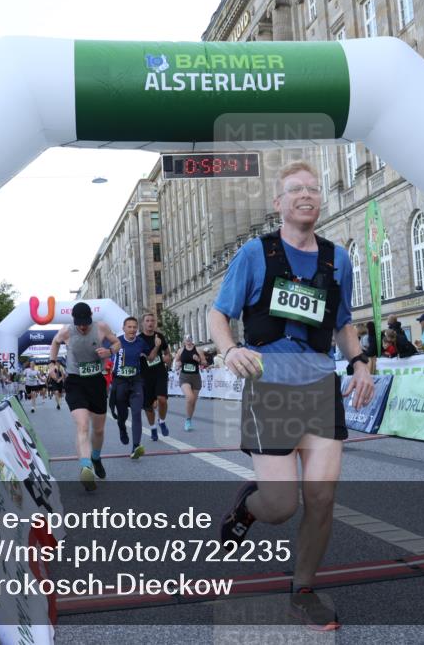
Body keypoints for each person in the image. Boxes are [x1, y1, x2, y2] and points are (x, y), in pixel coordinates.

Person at [209, 160, 373, 632]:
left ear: (320, 202)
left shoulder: (336, 258)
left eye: (313, 189)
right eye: (295, 190)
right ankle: (248, 506)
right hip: (270, 386)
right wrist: (230, 349)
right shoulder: (255, 254)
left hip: (321, 386)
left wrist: (359, 362)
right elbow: (220, 315)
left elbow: (342, 322)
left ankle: (302, 590)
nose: (306, 195)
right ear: (279, 204)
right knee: (281, 507)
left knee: (321, 498)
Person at [48, 302, 120, 491]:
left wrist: (110, 351)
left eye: (85, 323)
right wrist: (51, 364)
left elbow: (117, 342)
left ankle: (95, 457)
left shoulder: (101, 327)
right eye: (79, 323)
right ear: (74, 320)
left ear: (91, 318)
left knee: (98, 430)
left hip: (96, 382)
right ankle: (85, 467)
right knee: (82, 425)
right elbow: (55, 342)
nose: (82, 326)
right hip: (75, 382)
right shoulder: (66, 331)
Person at [110, 316, 148, 459]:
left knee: (137, 412)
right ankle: (122, 429)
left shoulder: (140, 342)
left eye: (134, 327)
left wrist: (157, 347)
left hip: (136, 381)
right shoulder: (116, 341)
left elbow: (149, 357)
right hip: (120, 382)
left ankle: (136, 446)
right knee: (122, 415)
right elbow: (103, 351)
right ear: (124, 328)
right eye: (129, 327)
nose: (132, 329)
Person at [139, 312, 171, 440]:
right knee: (148, 406)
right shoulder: (139, 339)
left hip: (160, 373)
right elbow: (150, 358)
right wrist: (157, 346)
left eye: (152, 320)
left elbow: (167, 353)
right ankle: (152, 428)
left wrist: (168, 358)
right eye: (147, 320)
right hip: (145, 376)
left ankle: (162, 422)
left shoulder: (160, 336)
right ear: (143, 323)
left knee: (162, 399)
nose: (150, 323)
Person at [173, 335, 207, 431]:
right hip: (184, 377)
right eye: (186, 340)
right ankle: (187, 420)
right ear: (184, 341)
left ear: (192, 340)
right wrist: (177, 365)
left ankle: (189, 420)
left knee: (193, 402)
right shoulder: (181, 350)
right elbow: (177, 361)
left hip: (196, 377)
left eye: (190, 340)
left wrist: (199, 360)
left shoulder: (198, 350)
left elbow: (205, 363)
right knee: (190, 397)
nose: (188, 341)